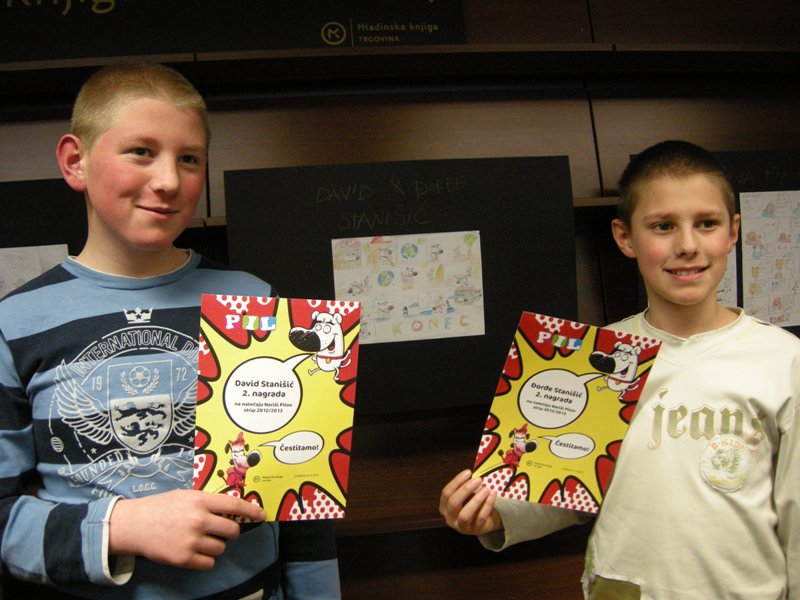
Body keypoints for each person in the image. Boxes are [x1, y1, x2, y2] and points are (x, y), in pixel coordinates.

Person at [0, 61, 340, 599]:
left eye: (189, 159)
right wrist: (121, 528)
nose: (168, 181)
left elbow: (299, 494)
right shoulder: (14, 324)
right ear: (74, 162)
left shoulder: (255, 303)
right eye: (141, 151)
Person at [440, 140, 799, 599]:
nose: (687, 245)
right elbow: (565, 481)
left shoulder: (783, 360)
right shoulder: (595, 356)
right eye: (663, 226)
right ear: (625, 237)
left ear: (732, 232)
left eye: (706, 223)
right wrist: (495, 514)